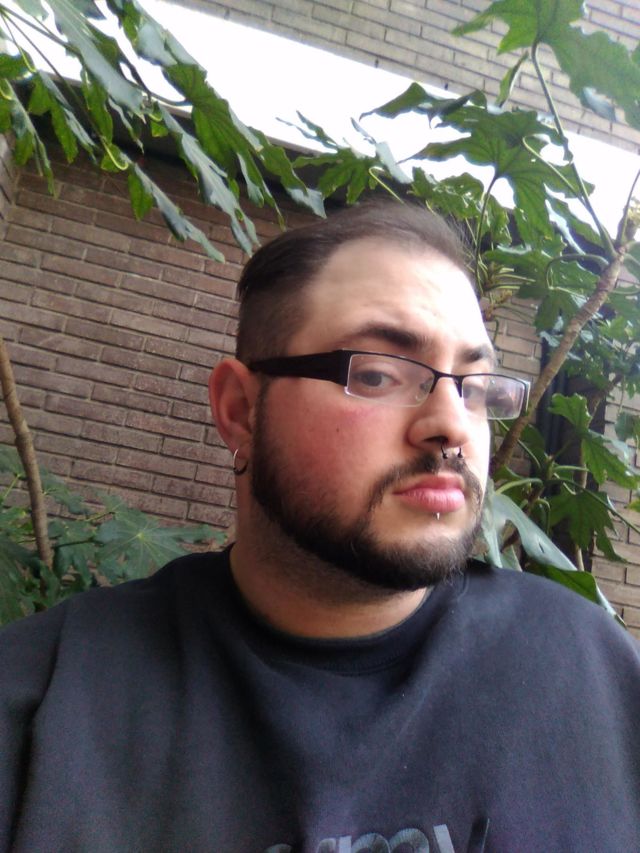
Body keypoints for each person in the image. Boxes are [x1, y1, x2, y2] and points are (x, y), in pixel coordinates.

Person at [1, 202, 639, 853]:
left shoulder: (588, 668)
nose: (451, 424)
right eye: (377, 374)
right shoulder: (43, 702)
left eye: (472, 386)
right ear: (240, 410)